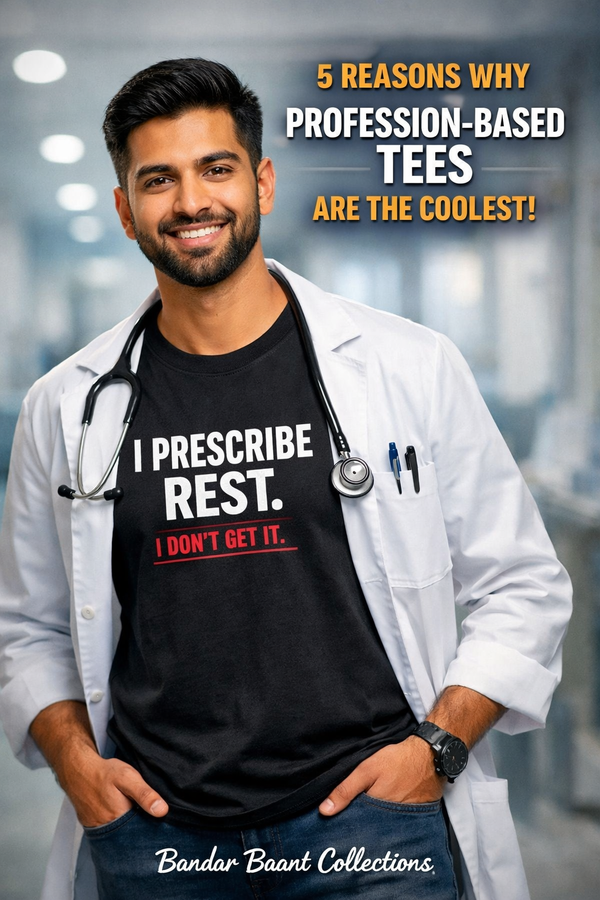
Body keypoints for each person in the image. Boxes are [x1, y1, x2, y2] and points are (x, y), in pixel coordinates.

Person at [0, 58, 571, 900]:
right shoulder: (65, 406)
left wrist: (436, 750)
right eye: (158, 179)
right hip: (160, 840)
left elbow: (522, 584)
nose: (190, 201)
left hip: (373, 826)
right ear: (125, 210)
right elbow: (27, 627)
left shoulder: (407, 366)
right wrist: (78, 766)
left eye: (216, 168)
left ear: (261, 181)